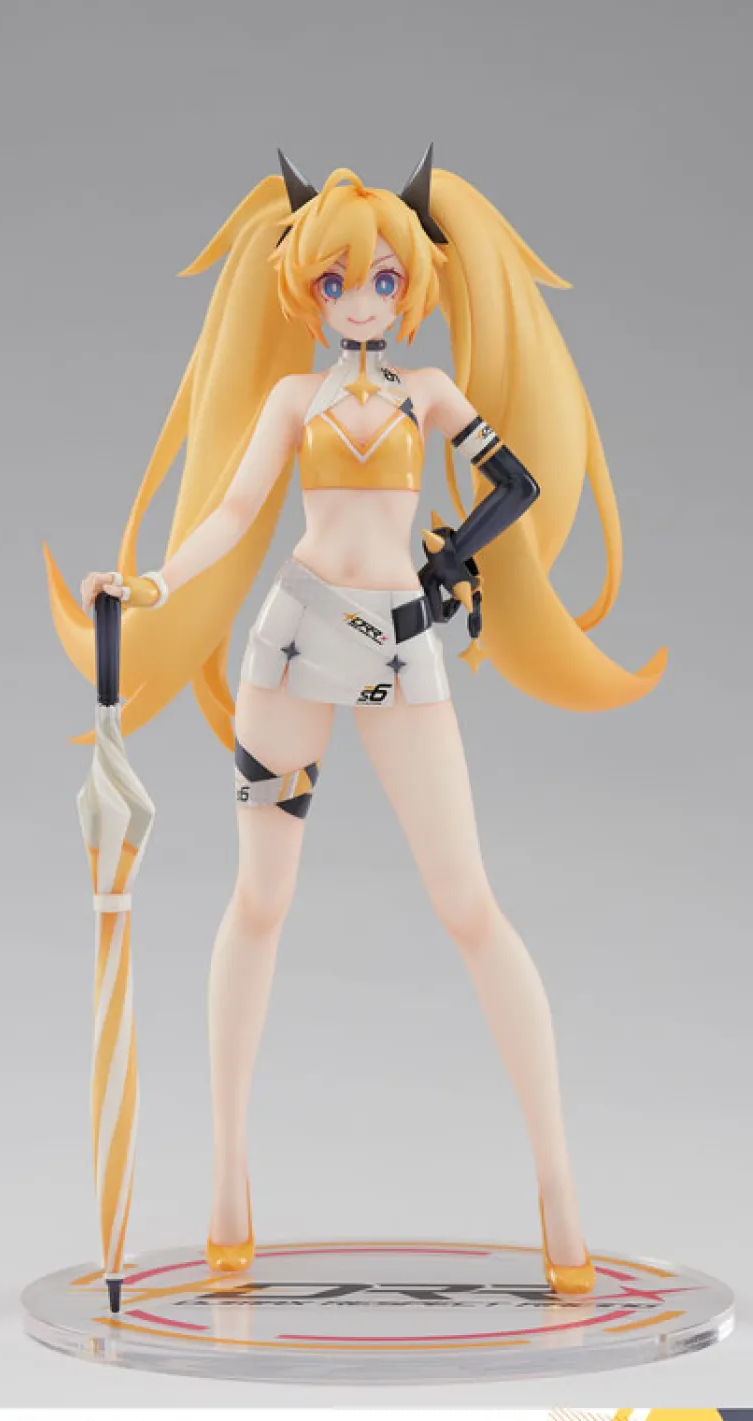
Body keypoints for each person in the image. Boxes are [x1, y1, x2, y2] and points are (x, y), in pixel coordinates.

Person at [46, 147, 666, 1295]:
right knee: (259, 898)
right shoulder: (295, 400)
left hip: (399, 649)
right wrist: (153, 584)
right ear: (306, 292)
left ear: (412, 284)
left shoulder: (428, 394)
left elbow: (515, 483)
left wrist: (449, 563)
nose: (361, 300)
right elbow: (236, 508)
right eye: (335, 283)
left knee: (467, 903)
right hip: (289, 643)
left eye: (381, 279)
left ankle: (557, 1185)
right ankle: (228, 1175)